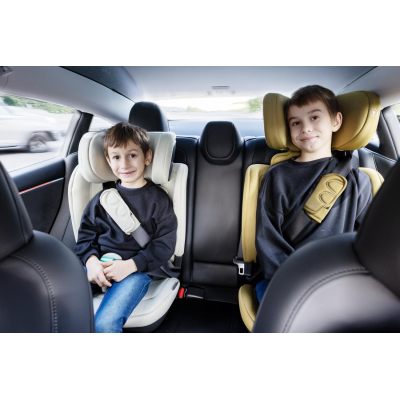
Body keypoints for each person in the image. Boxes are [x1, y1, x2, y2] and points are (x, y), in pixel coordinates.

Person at [255, 85, 372, 303]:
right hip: (284, 276)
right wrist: (296, 281)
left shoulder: (358, 181)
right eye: (296, 123)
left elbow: (368, 239)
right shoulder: (277, 177)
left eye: (315, 117)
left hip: (336, 278)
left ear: (336, 121)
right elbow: (267, 238)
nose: (306, 128)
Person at [75, 122, 178, 333]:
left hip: (135, 271)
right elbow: (85, 237)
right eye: (116, 157)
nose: (124, 164)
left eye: (132, 155)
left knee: (104, 324)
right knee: (56, 304)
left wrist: (131, 265)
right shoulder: (101, 200)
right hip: (98, 266)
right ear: (108, 161)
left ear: (147, 157)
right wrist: (91, 262)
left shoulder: (158, 200)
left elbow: (164, 245)